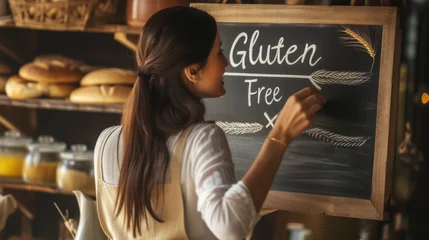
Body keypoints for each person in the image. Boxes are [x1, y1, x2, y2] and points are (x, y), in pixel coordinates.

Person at [94, 6, 325, 240]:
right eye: (219, 52)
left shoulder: (106, 143)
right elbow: (230, 226)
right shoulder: (201, 140)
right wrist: (280, 136)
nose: (226, 63)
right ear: (192, 71)